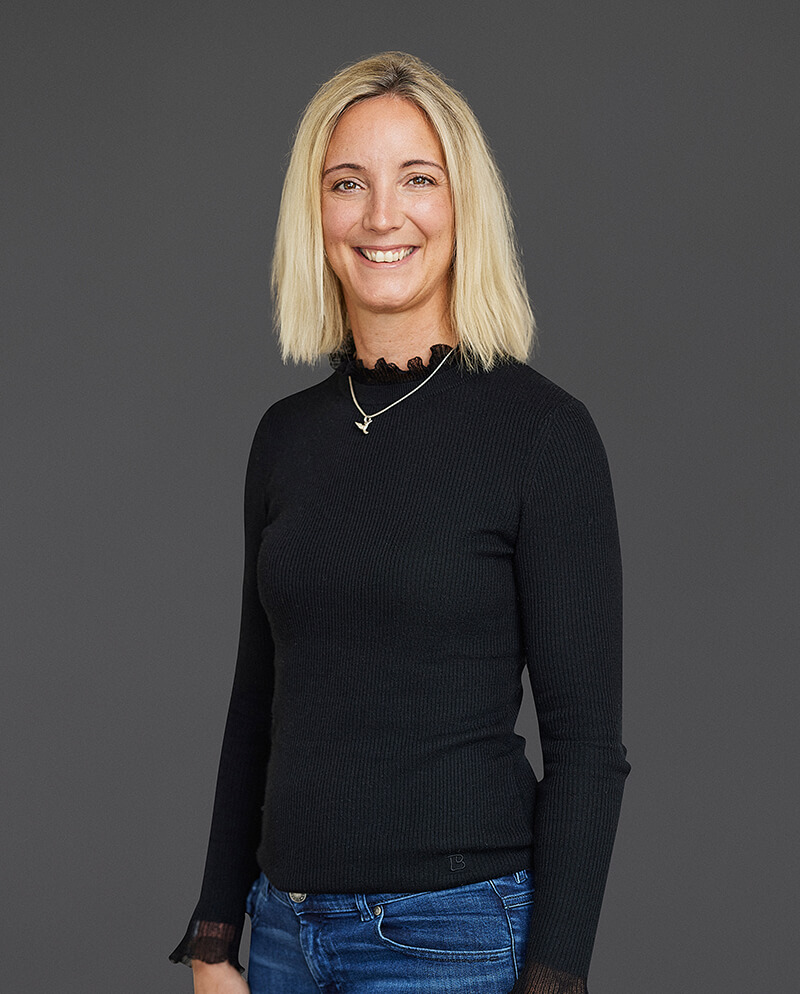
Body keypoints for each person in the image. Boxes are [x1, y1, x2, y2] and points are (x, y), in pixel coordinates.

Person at [169, 51, 630, 994]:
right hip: (284, 932)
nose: (383, 216)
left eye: (418, 179)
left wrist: (553, 979)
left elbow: (586, 744)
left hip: (452, 939)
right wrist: (216, 938)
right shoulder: (284, 438)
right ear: (317, 212)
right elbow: (257, 702)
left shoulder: (542, 433)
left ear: (464, 207)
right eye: (349, 184)